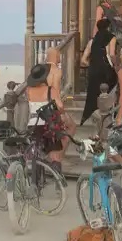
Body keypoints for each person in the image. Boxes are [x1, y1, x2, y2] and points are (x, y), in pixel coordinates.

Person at [24, 47, 73, 179]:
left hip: (33, 124)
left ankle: (37, 181)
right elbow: (60, 106)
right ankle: (58, 179)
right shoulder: (51, 90)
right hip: (48, 125)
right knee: (56, 154)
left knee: (37, 152)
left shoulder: (28, 91)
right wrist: (59, 111)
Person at [80, 18, 119, 125]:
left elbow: (83, 61)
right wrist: (117, 67)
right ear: (108, 27)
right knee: (113, 91)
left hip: (93, 71)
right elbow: (112, 55)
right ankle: (108, 118)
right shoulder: (111, 37)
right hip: (106, 71)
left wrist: (92, 65)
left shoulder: (92, 41)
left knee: (93, 96)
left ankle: (89, 118)